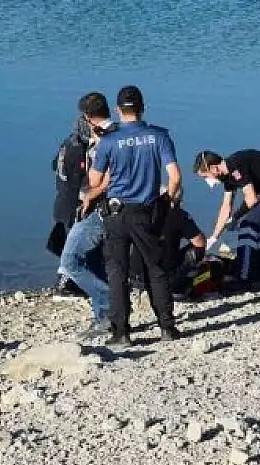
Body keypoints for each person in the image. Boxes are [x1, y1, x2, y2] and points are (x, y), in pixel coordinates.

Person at [87, 85, 183, 348]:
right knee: (156, 268)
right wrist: (168, 201)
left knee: (117, 272)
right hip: (147, 211)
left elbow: (94, 180)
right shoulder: (159, 137)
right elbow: (175, 177)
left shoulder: (108, 141)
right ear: (142, 108)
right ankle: (167, 327)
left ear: (118, 110)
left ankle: (122, 333)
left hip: (116, 213)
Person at [56, 92, 117, 337]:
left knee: (69, 261)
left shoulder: (108, 139)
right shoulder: (114, 134)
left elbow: (113, 177)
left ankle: (109, 308)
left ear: (87, 117)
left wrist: (90, 196)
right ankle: (108, 314)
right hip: (103, 208)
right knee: (92, 260)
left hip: (101, 208)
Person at [193, 149, 260, 287]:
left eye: (205, 176)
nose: (207, 181)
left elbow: (251, 199)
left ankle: (243, 276)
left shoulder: (236, 166)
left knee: (248, 225)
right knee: (253, 226)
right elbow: (226, 207)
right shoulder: (227, 176)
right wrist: (214, 237)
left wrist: (236, 217)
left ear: (213, 168)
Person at [129, 193, 208, 299]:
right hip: (166, 281)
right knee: (208, 269)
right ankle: (181, 285)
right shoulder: (178, 215)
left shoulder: (137, 213)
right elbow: (200, 243)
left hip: (137, 278)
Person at [48, 113, 92, 297]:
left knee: (70, 243)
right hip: (73, 204)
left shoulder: (66, 144)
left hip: (61, 200)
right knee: (74, 244)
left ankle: (71, 280)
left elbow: (53, 165)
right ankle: (65, 283)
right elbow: (81, 183)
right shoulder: (78, 150)